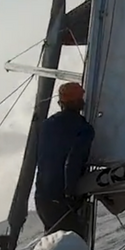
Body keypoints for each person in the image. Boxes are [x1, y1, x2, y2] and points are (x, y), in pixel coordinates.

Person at [33, 82, 94, 236]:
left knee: (57, 244)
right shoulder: (84, 129)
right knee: (76, 245)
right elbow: (72, 162)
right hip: (62, 202)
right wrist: (71, 195)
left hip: (42, 201)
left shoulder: (46, 125)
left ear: (61, 103)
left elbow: (44, 160)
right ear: (79, 101)